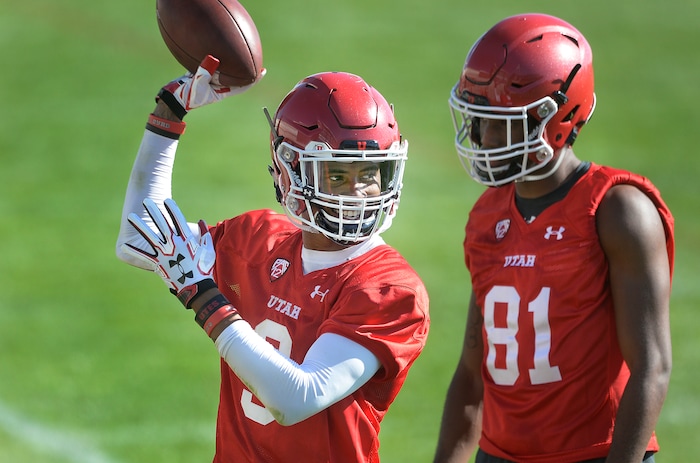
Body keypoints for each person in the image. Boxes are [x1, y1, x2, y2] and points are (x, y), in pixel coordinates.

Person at [115, 57, 429, 462]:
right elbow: (138, 235)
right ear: (288, 171)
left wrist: (201, 294)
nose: (360, 193)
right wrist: (170, 110)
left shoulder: (389, 288)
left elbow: (297, 398)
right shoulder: (258, 239)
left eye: (370, 174)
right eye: (337, 175)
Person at [432, 13, 674, 463]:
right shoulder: (487, 215)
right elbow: (472, 372)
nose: (481, 137)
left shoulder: (616, 210)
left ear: (554, 118)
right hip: (500, 453)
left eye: (498, 119)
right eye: (477, 116)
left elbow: (652, 368)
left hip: (597, 453)